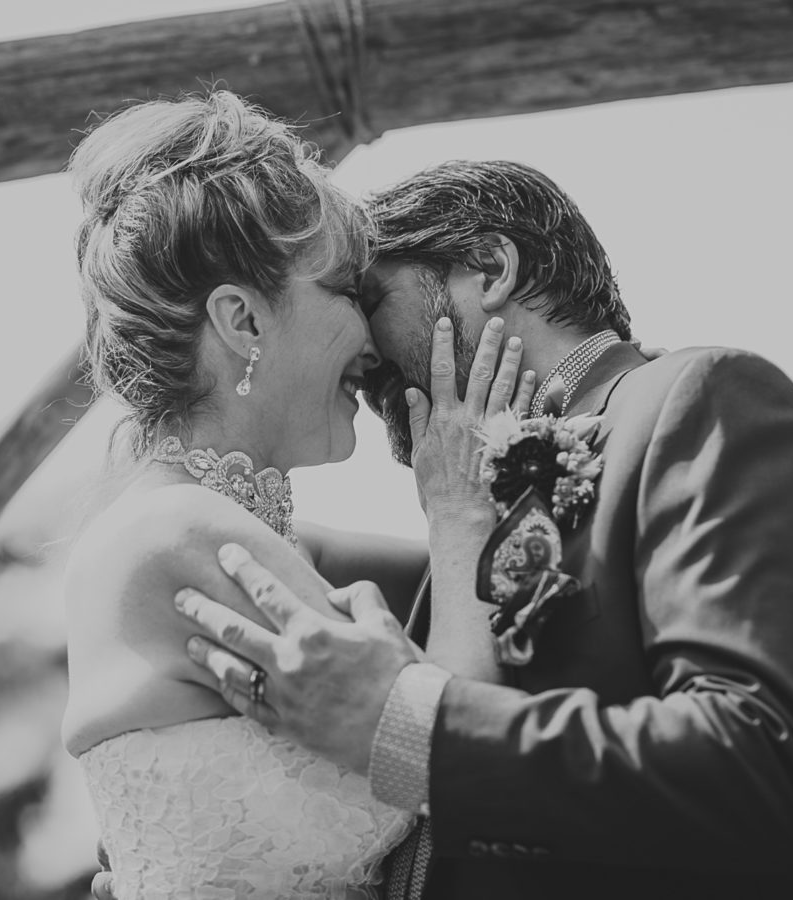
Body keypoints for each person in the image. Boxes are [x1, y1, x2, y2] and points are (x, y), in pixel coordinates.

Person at [171, 160, 793, 898]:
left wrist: (411, 725)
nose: (364, 348)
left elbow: (765, 772)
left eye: (372, 298)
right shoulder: (467, 519)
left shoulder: (701, 400)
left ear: (490, 268)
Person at [61, 94, 531, 899]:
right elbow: (456, 748)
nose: (376, 341)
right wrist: (459, 516)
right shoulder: (183, 533)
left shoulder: (171, 526)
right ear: (243, 318)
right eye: (347, 290)